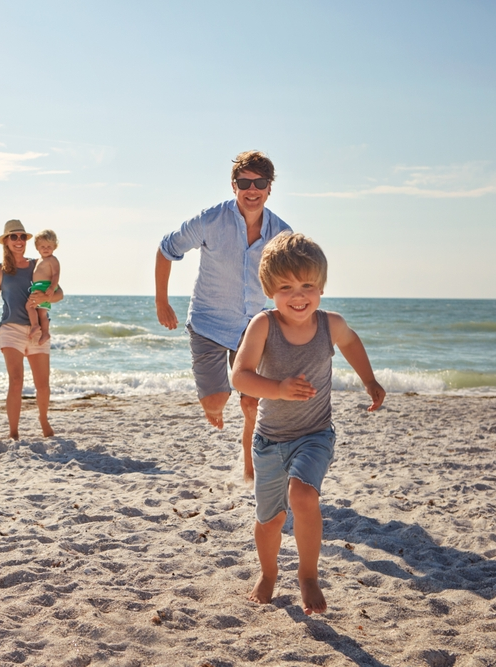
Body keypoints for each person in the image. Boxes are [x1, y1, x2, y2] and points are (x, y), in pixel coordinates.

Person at [231, 232, 386, 615]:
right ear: (270, 290)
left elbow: (350, 343)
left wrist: (369, 380)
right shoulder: (262, 326)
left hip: (315, 435)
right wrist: (278, 389)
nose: (298, 295)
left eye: (307, 286)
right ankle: (268, 574)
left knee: (303, 497)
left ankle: (308, 574)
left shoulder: (330, 323)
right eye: (285, 287)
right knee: (270, 520)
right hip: (269, 441)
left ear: (321, 287)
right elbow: (240, 376)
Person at [155, 150, 292, 481]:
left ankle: (251, 470)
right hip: (207, 324)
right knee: (217, 402)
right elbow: (166, 249)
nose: (252, 189)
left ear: (269, 188)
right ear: (234, 185)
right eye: (245, 182)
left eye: (260, 182)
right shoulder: (209, 220)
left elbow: (295, 277)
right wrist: (162, 302)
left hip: (252, 327)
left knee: (253, 406)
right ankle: (214, 405)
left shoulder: (282, 234)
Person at [0, 220, 63, 440]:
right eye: (14, 237)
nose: (19, 241)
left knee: (42, 383)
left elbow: (59, 294)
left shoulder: (37, 264)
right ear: (6, 241)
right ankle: (13, 432)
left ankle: (43, 419)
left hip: (37, 329)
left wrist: (46, 296)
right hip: (11, 329)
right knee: (16, 381)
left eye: (22, 237)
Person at [27, 229, 61, 346]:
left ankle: (35, 325)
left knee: (29, 305)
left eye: (49, 246)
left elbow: (56, 274)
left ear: (54, 247)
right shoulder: (39, 260)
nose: (46, 249)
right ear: (37, 247)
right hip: (39, 286)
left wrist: (52, 287)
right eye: (42, 246)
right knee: (42, 312)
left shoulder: (52, 259)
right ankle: (45, 332)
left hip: (44, 286)